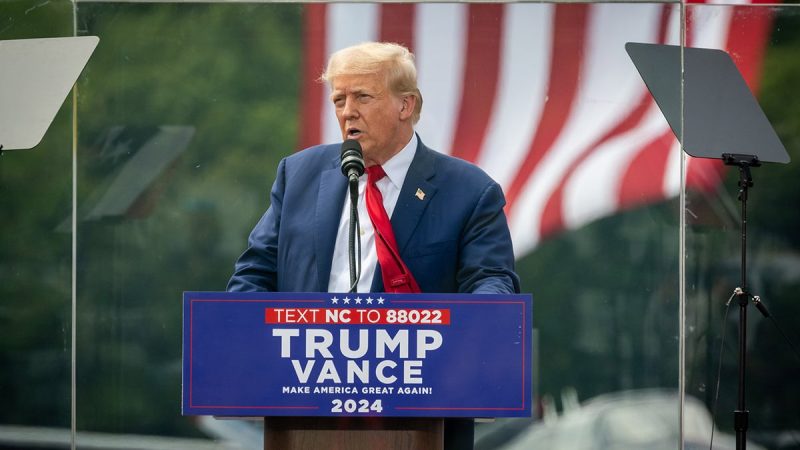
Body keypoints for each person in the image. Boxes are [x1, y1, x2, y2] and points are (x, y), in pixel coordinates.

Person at [228, 41, 520, 449]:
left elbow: (492, 282)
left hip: (423, 414)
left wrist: (464, 331)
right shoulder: (298, 175)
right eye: (339, 99)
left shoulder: (469, 192)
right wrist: (256, 345)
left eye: (363, 97)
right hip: (304, 410)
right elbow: (253, 275)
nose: (348, 112)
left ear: (406, 105)